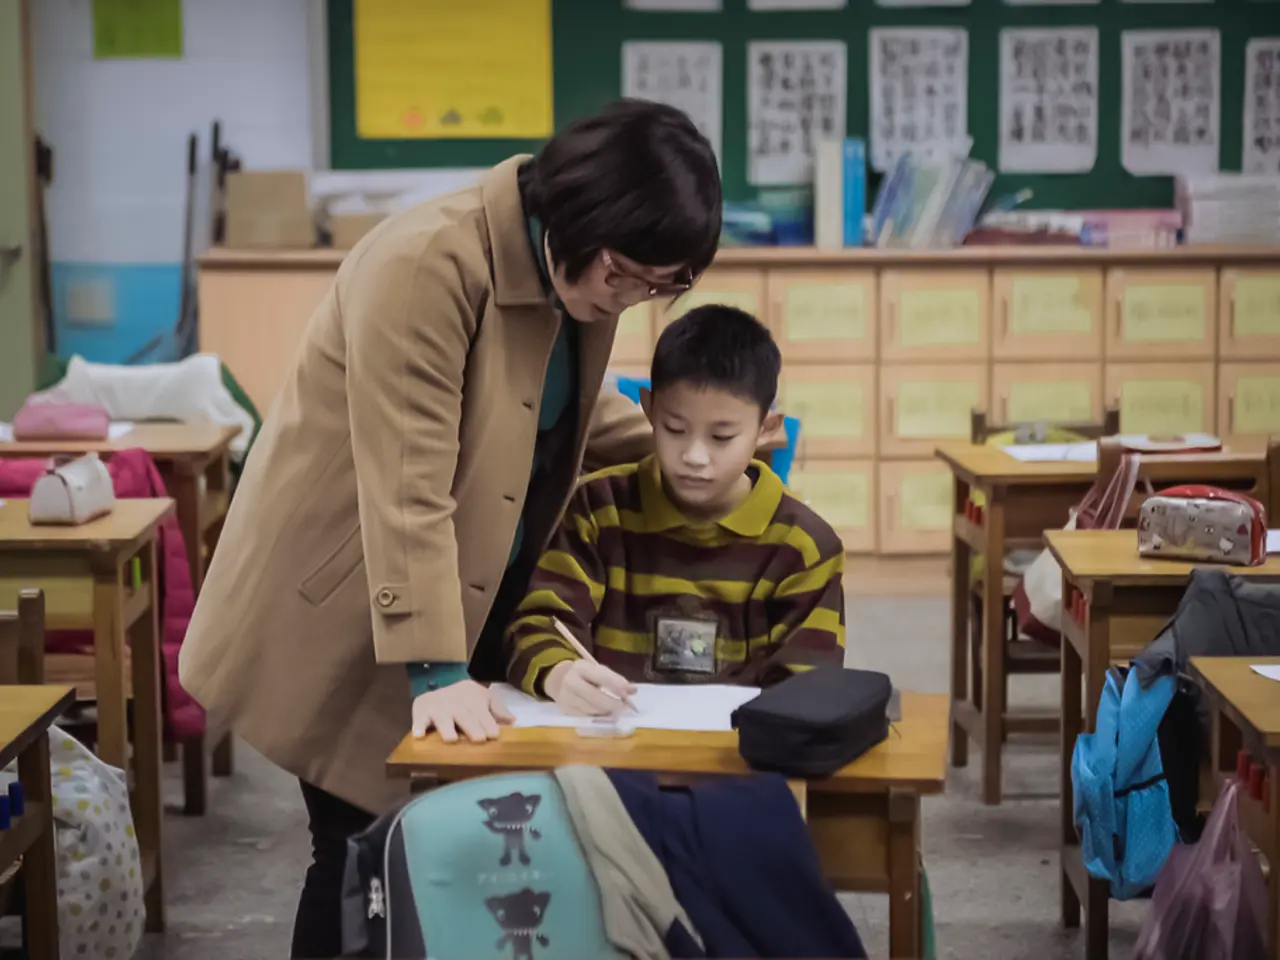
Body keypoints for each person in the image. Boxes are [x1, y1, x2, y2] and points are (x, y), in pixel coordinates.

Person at [176, 99, 723, 958]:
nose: (638, 297)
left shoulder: (577, 270)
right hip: (347, 600)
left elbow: (564, 413)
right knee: (358, 848)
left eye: (665, 285)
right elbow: (406, 485)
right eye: (631, 276)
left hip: (446, 586)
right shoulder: (426, 263)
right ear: (578, 214)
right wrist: (435, 670)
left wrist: (699, 457)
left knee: (434, 843)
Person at [505, 305, 846, 713]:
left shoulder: (803, 545)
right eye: (674, 430)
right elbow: (538, 626)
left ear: (767, 430)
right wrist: (559, 673)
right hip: (611, 744)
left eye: (722, 437)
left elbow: (809, 687)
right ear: (648, 409)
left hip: (741, 761)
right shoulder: (599, 511)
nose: (694, 456)